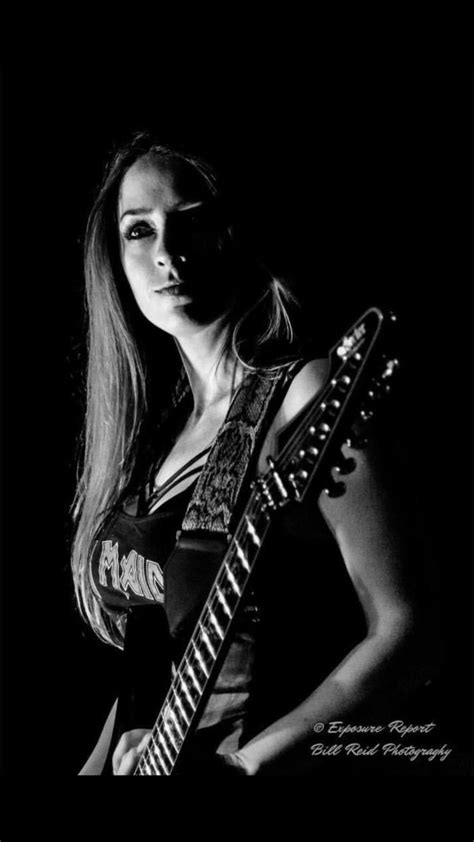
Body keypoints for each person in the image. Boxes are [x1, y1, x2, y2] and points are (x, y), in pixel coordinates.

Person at [73, 131, 435, 776]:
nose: (168, 253)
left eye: (193, 222)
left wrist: (246, 767)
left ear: (236, 232)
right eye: (139, 231)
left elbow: (408, 633)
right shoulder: (152, 440)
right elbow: (144, 675)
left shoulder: (306, 394)